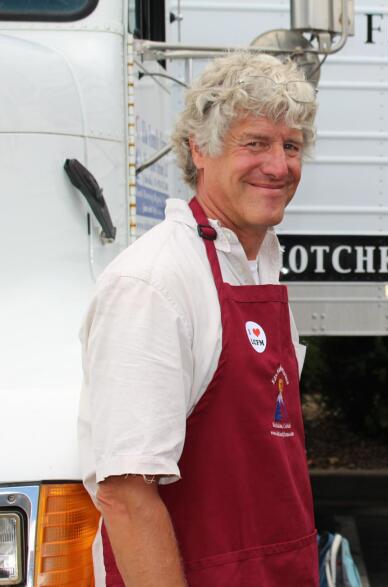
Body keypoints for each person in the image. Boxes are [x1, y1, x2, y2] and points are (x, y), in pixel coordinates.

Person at [78, 52, 318, 586]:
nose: (278, 165)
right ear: (199, 150)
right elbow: (125, 492)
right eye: (255, 143)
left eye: (291, 146)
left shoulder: (258, 267)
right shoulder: (153, 284)